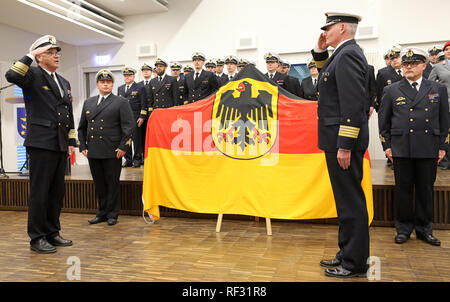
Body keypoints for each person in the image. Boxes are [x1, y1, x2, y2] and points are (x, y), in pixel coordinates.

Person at [5, 35, 76, 253]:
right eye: (51, 52)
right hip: (41, 142)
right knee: (40, 192)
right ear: (39, 56)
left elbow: (67, 112)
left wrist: (72, 140)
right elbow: (11, 75)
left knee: (56, 192)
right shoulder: (32, 74)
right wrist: (30, 55)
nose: (56, 55)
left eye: (57, 52)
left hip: (60, 142)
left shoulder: (63, 81)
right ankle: (37, 237)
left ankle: (53, 232)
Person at [311, 12, 370, 278]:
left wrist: (345, 144)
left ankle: (354, 263)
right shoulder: (343, 54)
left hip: (341, 142)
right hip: (336, 139)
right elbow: (328, 79)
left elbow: (353, 103)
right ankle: (347, 253)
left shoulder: (348, 54)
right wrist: (319, 51)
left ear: (343, 28)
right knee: (344, 201)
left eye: (329, 28)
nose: (325, 33)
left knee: (350, 202)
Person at [378, 47, 448, 246]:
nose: (408, 67)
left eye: (413, 63)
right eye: (406, 64)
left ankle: (425, 230)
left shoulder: (437, 89)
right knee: (404, 191)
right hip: (402, 147)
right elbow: (384, 122)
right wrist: (387, 146)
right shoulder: (391, 90)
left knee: (426, 190)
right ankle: (403, 228)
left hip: (429, 146)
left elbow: (445, 120)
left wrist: (443, 146)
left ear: (424, 65)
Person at [78, 69, 134, 226]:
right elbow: (82, 127)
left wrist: (123, 147)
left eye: (108, 82)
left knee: (112, 183)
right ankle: (101, 213)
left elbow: (129, 127)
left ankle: (112, 214)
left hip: (112, 150)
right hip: (93, 150)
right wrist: (82, 145)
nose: (105, 84)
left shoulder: (120, 102)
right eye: (102, 82)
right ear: (97, 84)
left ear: (112, 84)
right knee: (99, 183)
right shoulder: (88, 102)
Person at [117, 67, 147, 167]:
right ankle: (128, 159)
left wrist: (142, 116)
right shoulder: (120, 88)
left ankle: (137, 159)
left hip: (135, 117)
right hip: (123, 119)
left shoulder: (139, 87)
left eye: (129, 75)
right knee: (126, 139)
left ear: (133, 76)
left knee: (137, 140)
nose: (127, 77)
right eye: (125, 76)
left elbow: (144, 103)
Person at [428, 41, 450, 170]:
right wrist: (436, 101)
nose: (449, 51)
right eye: (446, 49)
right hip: (445, 105)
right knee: (445, 133)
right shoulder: (437, 67)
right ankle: (445, 161)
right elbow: (430, 87)